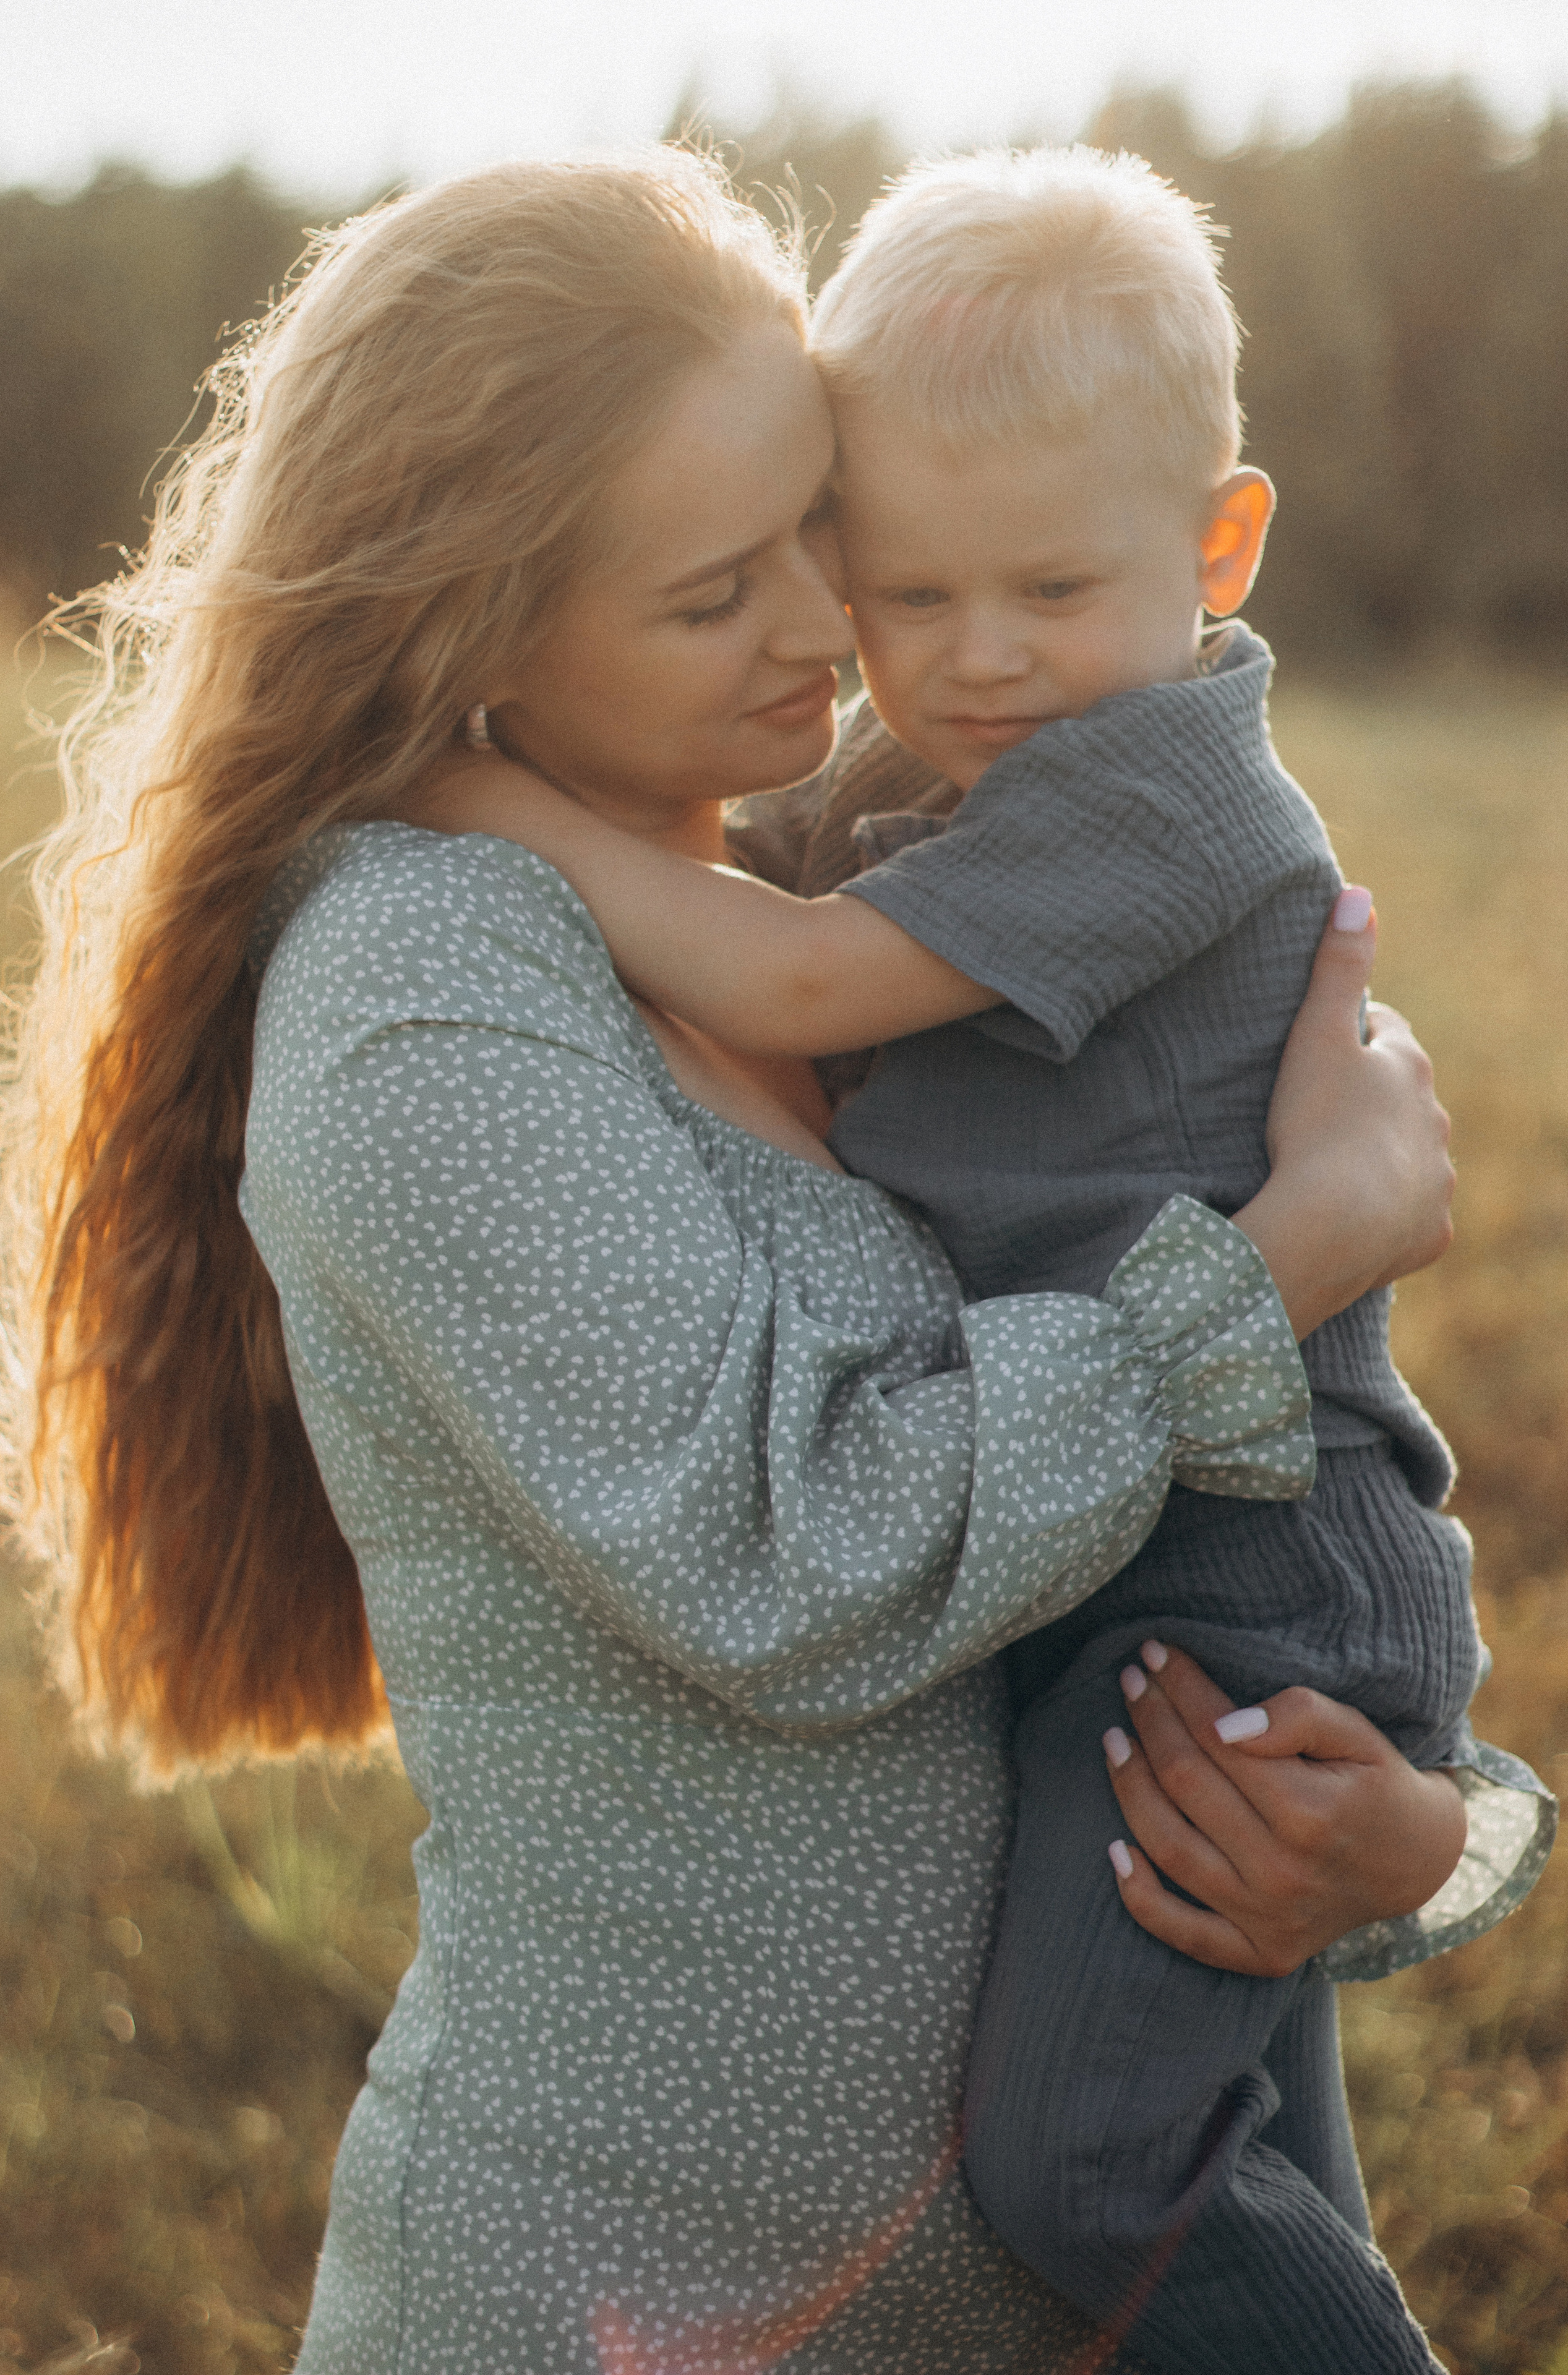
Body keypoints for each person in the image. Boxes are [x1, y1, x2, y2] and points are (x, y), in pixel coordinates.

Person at [0, 150, 1502, 2375]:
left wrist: (1425, 1842)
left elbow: (1209, 1553)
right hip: (637, 2303)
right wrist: (1280, 1253)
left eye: (820, 517)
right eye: (722, 588)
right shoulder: (434, 978)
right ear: (474, 622)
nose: (834, 622)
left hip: (1071, 2267)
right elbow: (793, 1557)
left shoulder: (884, 870)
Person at [417, 150, 1556, 2373]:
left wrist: (479, 802)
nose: (976, 658)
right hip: (1120, 1527)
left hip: (1246, 1571)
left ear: (1219, 548)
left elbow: (811, 983)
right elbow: (777, 865)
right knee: (1230, 2135)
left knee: (1094, 2165)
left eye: (1048, 583)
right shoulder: (949, 755)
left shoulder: (1165, 784)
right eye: (907, 592)